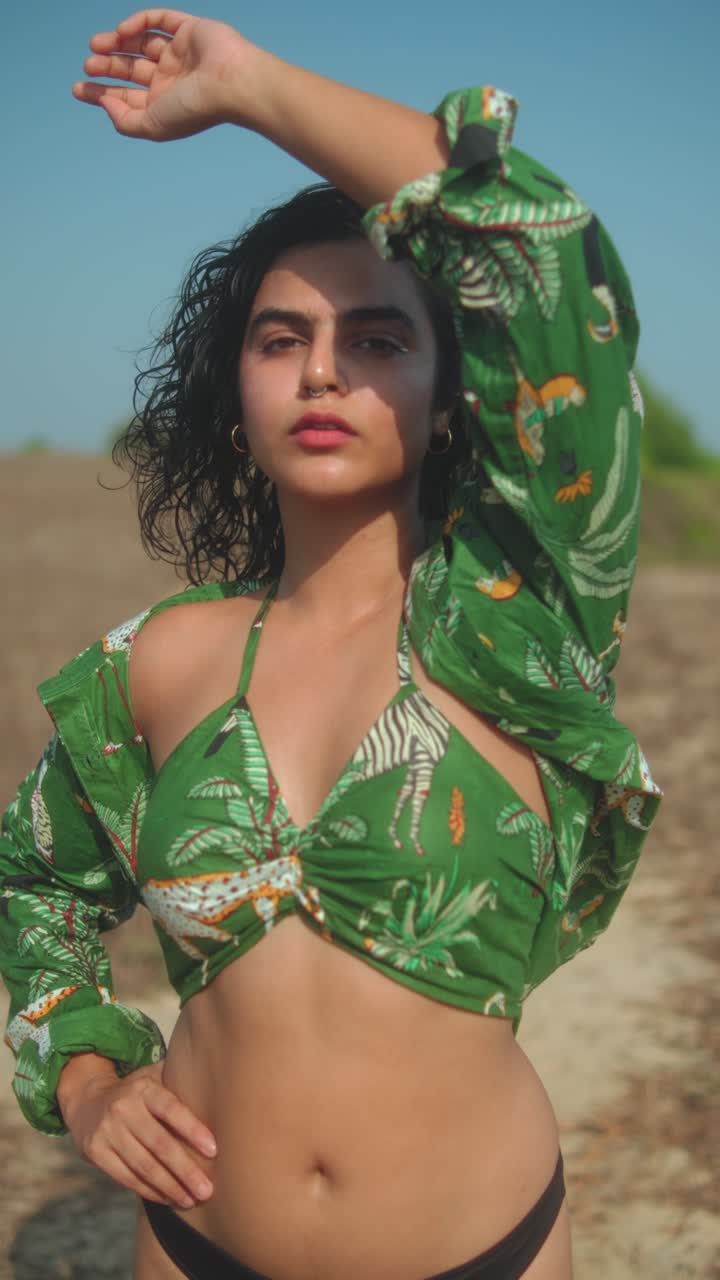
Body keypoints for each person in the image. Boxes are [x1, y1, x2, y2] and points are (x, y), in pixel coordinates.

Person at [0, 9, 663, 1279]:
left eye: (377, 338)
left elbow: (547, 263)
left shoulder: (526, 620)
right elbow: (39, 886)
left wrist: (248, 86)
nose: (321, 374)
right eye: (280, 338)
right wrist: (86, 1076)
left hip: (485, 1249)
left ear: (447, 385)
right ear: (234, 382)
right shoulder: (161, 658)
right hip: (195, 1249)